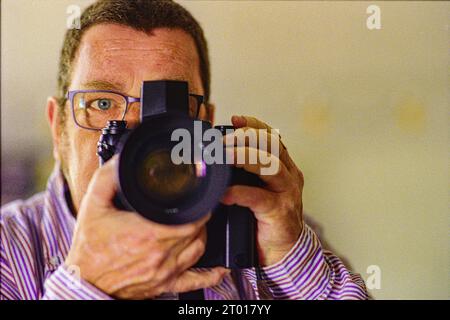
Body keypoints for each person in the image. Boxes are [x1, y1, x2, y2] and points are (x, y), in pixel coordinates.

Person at [0, 0, 368, 300]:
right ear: (57, 127)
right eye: (101, 105)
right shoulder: (8, 247)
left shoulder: (253, 228)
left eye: (166, 111)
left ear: (204, 123)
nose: (138, 134)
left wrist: (292, 262)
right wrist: (87, 288)